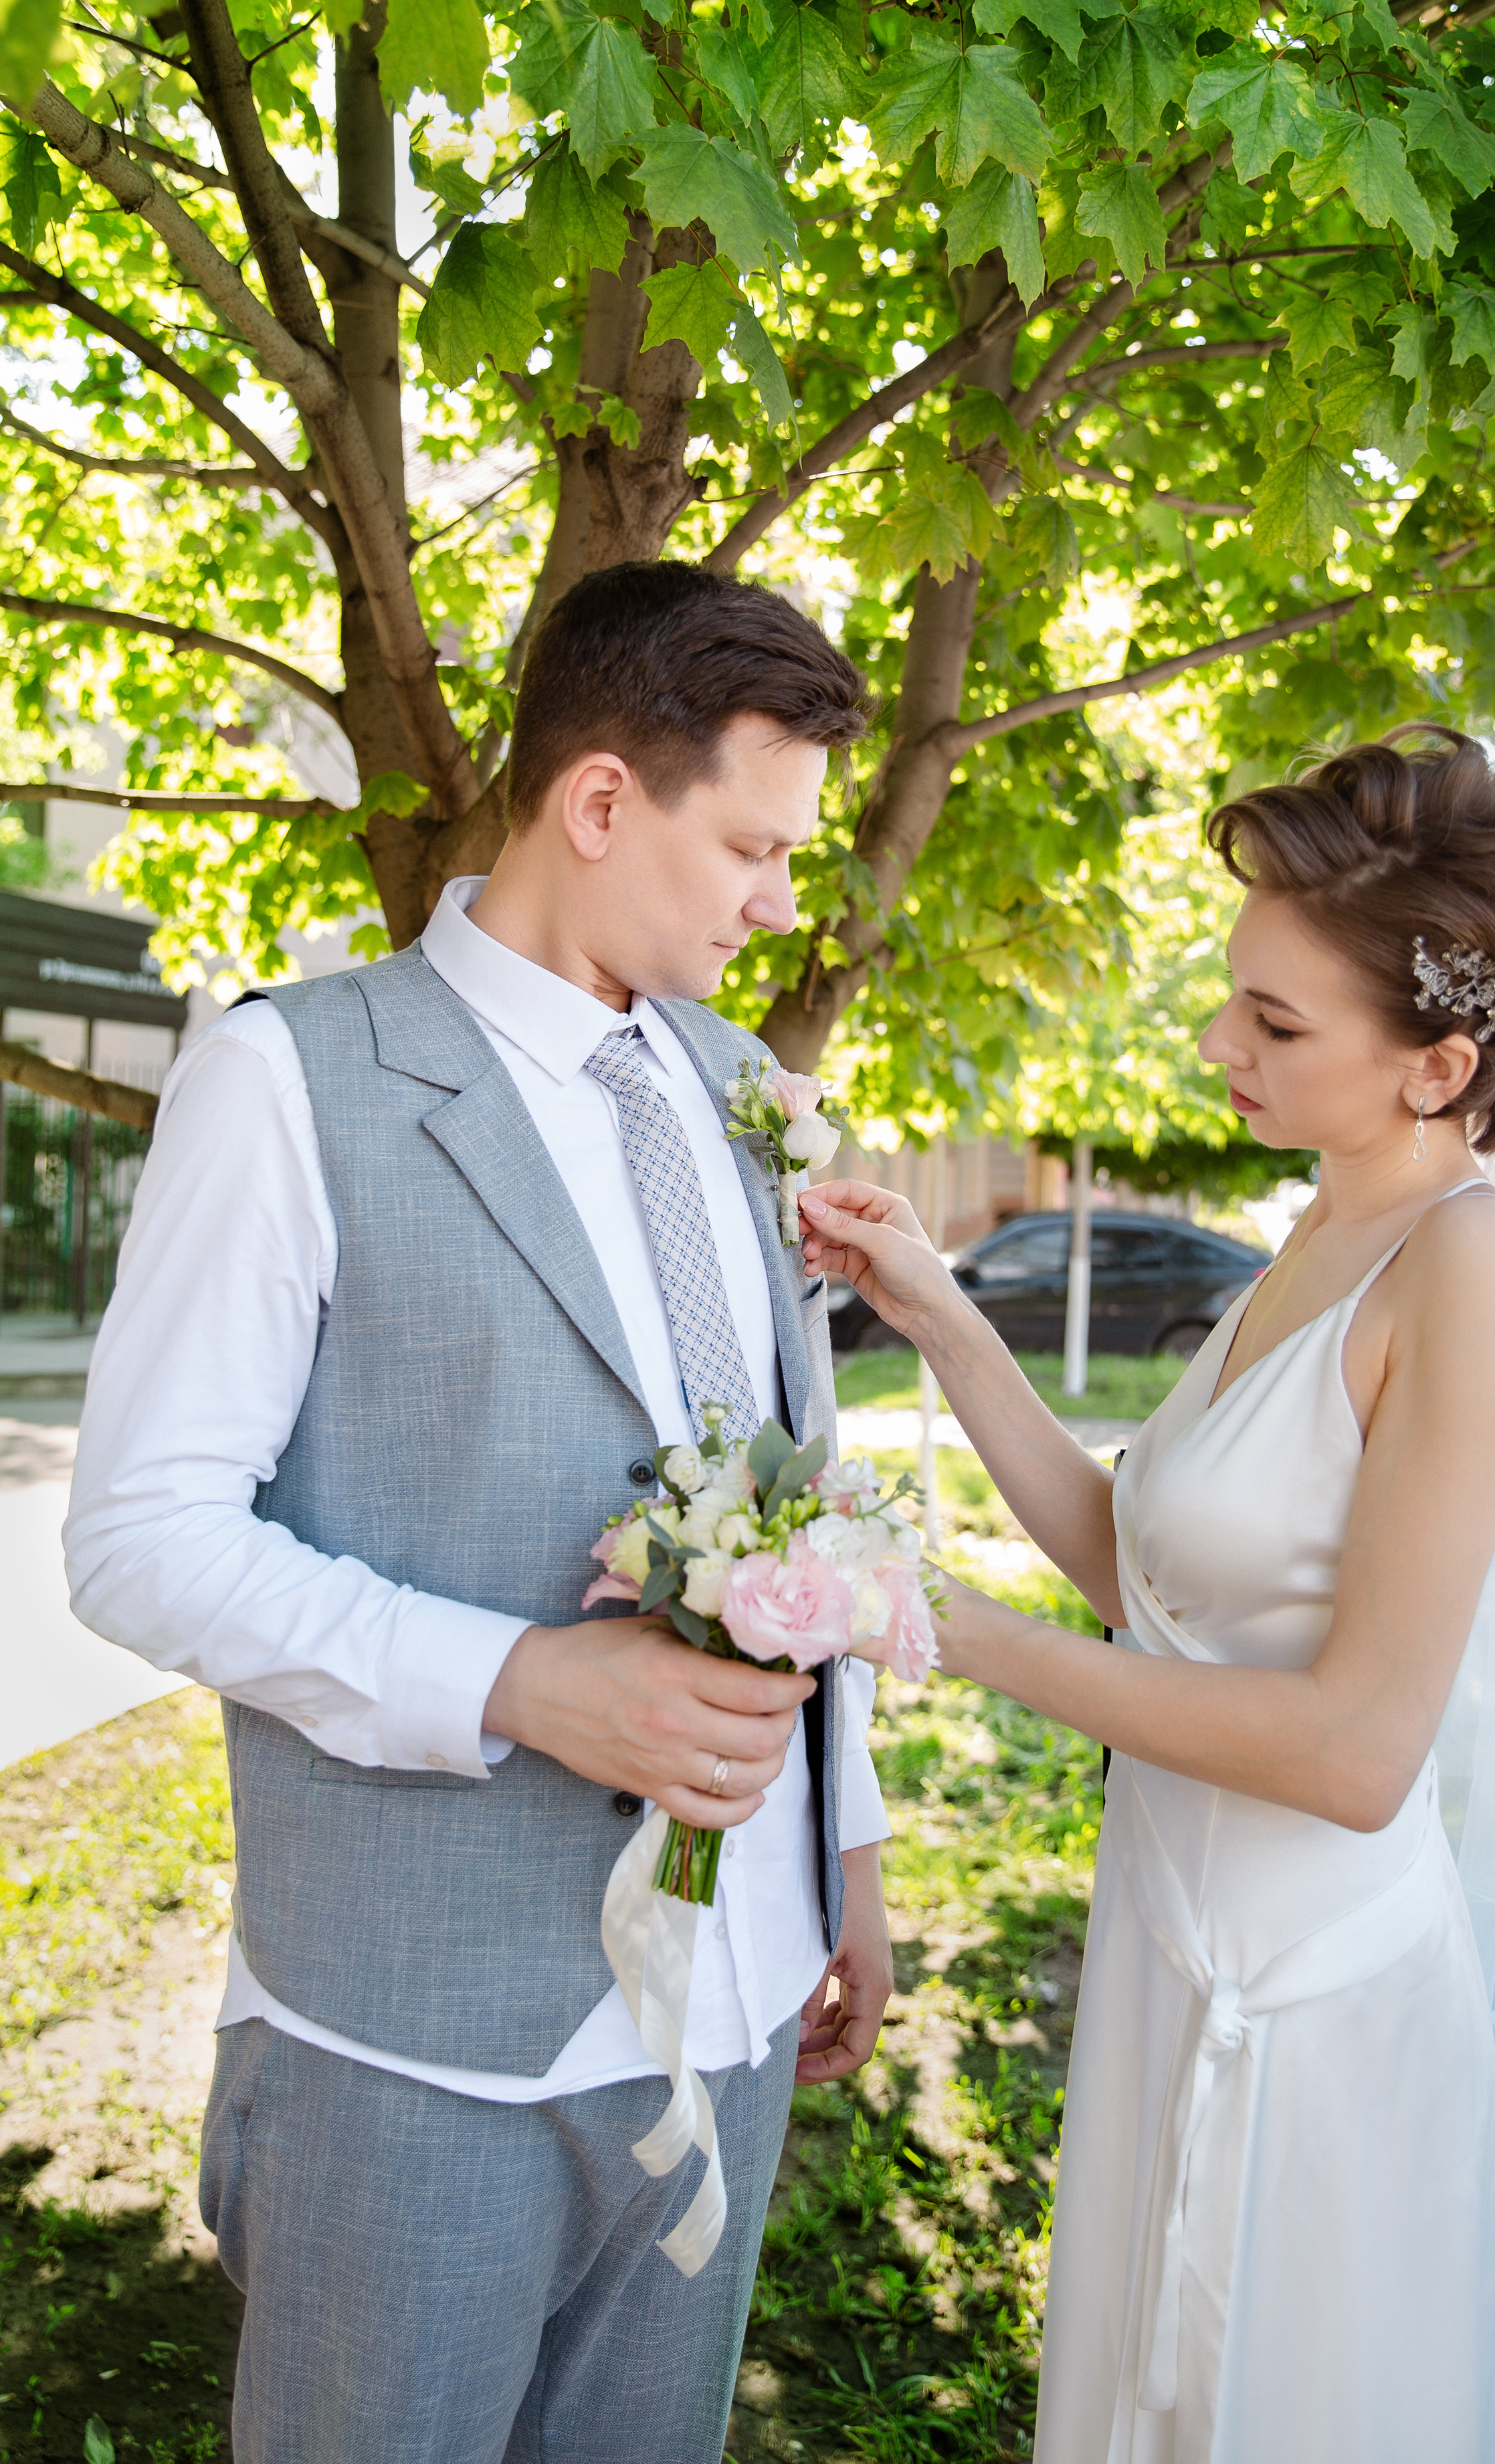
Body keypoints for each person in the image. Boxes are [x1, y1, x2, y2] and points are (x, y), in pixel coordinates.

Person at [799, 726, 1495, 2464]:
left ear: (1439, 1067)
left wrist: (951, 1633)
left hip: (1306, 2014)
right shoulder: (1318, 1232)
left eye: (1276, 1026)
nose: (1218, 1043)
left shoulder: (1475, 1277)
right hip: (1170, 1950)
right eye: (1238, 996)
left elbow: (1360, 1748)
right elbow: (1144, 1571)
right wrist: (940, 1313)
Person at [64, 559, 896, 2464]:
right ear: (600, 803)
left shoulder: (741, 1084)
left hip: (739, 2001)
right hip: (412, 2047)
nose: (781, 905)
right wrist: (516, 1679)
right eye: (752, 851)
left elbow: (793, 1498)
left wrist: (839, 1855)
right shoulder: (289, 1077)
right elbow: (141, 1534)